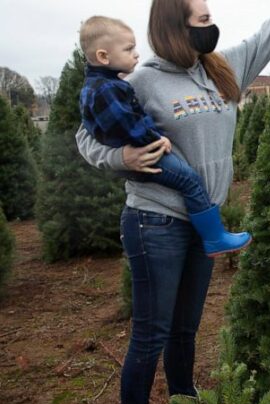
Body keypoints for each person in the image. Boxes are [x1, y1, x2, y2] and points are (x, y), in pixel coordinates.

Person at [76, 0, 270, 404]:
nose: (211, 26)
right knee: (150, 334)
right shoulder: (141, 79)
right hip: (155, 222)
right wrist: (122, 159)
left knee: (185, 330)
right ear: (175, 28)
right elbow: (86, 135)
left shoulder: (223, 69)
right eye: (202, 20)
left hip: (204, 223)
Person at [79, 16, 251, 258]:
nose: (136, 55)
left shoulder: (108, 84)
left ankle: (212, 235)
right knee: (190, 180)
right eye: (128, 49)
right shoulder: (110, 88)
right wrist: (152, 140)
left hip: (148, 153)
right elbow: (125, 125)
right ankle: (214, 236)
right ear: (103, 57)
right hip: (150, 155)